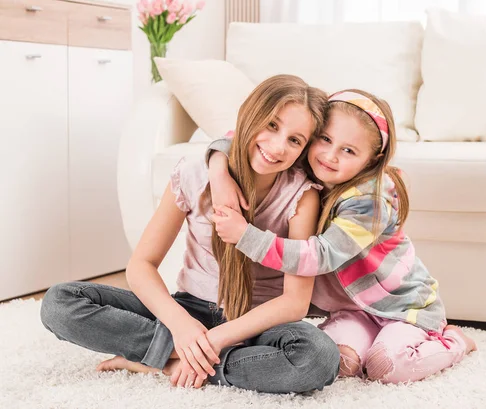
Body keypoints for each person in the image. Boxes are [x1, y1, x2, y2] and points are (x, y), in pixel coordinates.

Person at [40, 75, 340, 393]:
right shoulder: (194, 174)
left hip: (257, 323)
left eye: (295, 140)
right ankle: (189, 356)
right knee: (59, 303)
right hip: (190, 308)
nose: (278, 146)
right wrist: (181, 326)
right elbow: (141, 265)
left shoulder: (301, 196)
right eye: (272, 125)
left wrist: (211, 340)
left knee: (318, 358)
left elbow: (294, 302)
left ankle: (165, 361)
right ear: (250, 115)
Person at [207, 89, 477, 384]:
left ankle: (456, 342)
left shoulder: (369, 201)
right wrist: (218, 171)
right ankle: (368, 339)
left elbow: (319, 256)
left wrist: (245, 236)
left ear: (372, 160)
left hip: (402, 308)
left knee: (386, 366)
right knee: (341, 362)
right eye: (325, 139)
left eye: (349, 150)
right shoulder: (305, 164)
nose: (330, 156)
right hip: (353, 308)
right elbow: (241, 135)